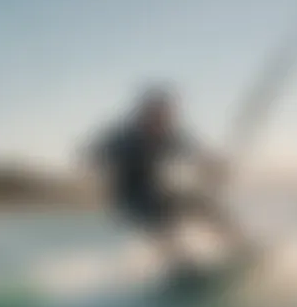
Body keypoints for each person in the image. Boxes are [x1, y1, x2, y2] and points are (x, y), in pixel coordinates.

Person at [83, 85, 249, 273]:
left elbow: (199, 156)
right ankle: (181, 268)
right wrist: (106, 161)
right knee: (163, 227)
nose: (165, 120)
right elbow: (92, 153)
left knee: (204, 204)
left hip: (158, 194)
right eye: (159, 115)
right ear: (146, 115)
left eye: (168, 115)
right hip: (131, 200)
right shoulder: (124, 138)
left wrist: (215, 167)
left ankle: (243, 247)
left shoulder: (172, 135)